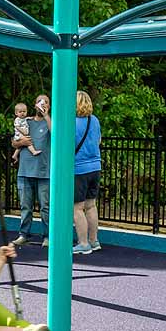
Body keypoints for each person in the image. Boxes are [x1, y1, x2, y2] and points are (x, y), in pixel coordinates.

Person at [11, 93, 51, 247]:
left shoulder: (50, 122)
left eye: (46, 102)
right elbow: (14, 142)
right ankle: (23, 234)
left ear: (49, 106)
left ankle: (48, 236)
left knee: (45, 207)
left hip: (44, 172)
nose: (42, 104)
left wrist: (46, 115)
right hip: (24, 171)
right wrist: (20, 142)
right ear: (34, 105)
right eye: (40, 102)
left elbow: (56, 134)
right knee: (25, 206)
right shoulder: (26, 122)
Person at [72, 90, 103, 254]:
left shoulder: (72, 122)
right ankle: (93, 240)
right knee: (91, 205)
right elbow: (99, 140)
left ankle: (83, 243)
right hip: (95, 166)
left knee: (77, 208)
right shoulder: (94, 120)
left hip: (79, 168)